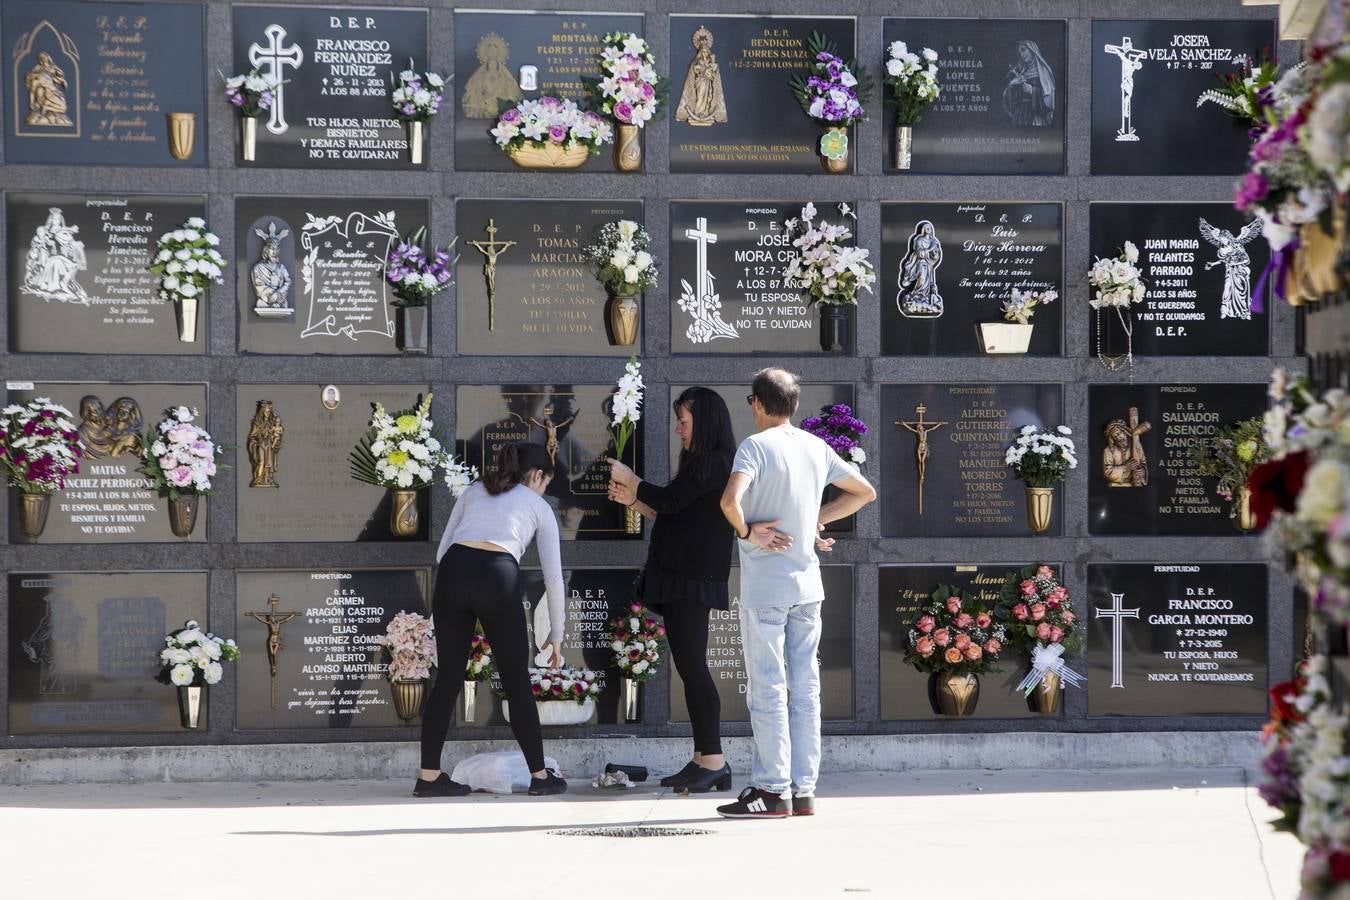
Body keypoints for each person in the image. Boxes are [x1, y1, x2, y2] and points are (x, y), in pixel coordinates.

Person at [716, 368, 876, 818]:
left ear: (757, 404)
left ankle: (771, 790)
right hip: (808, 587)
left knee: (768, 689)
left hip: (767, 587)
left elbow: (729, 502)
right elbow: (864, 492)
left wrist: (748, 532)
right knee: (806, 689)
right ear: (795, 405)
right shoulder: (815, 445)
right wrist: (816, 520)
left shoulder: (754, 447)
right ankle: (803, 790)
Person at [416, 442, 568, 798]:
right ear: (536, 475)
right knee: (516, 679)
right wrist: (557, 633)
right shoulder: (538, 505)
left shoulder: (473, 490)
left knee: (448, 679)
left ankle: (428, 777)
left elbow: (443, 550)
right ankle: (540, 776)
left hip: (454, 570)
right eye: (546, 482)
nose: (544, 489)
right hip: (498, 573)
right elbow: (554, 578)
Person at [606, 387, 737, 793]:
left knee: (694, 668)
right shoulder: (701, 463)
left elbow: (670, 499)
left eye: (684, 421)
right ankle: (703, 758)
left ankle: (714, 760)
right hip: (685, 574)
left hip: (693, 578)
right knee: (689, 667)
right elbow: (675, 514)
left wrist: (633, 480)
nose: (679, 429)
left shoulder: (715, 462)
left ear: (705, 421)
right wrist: (636, 501)